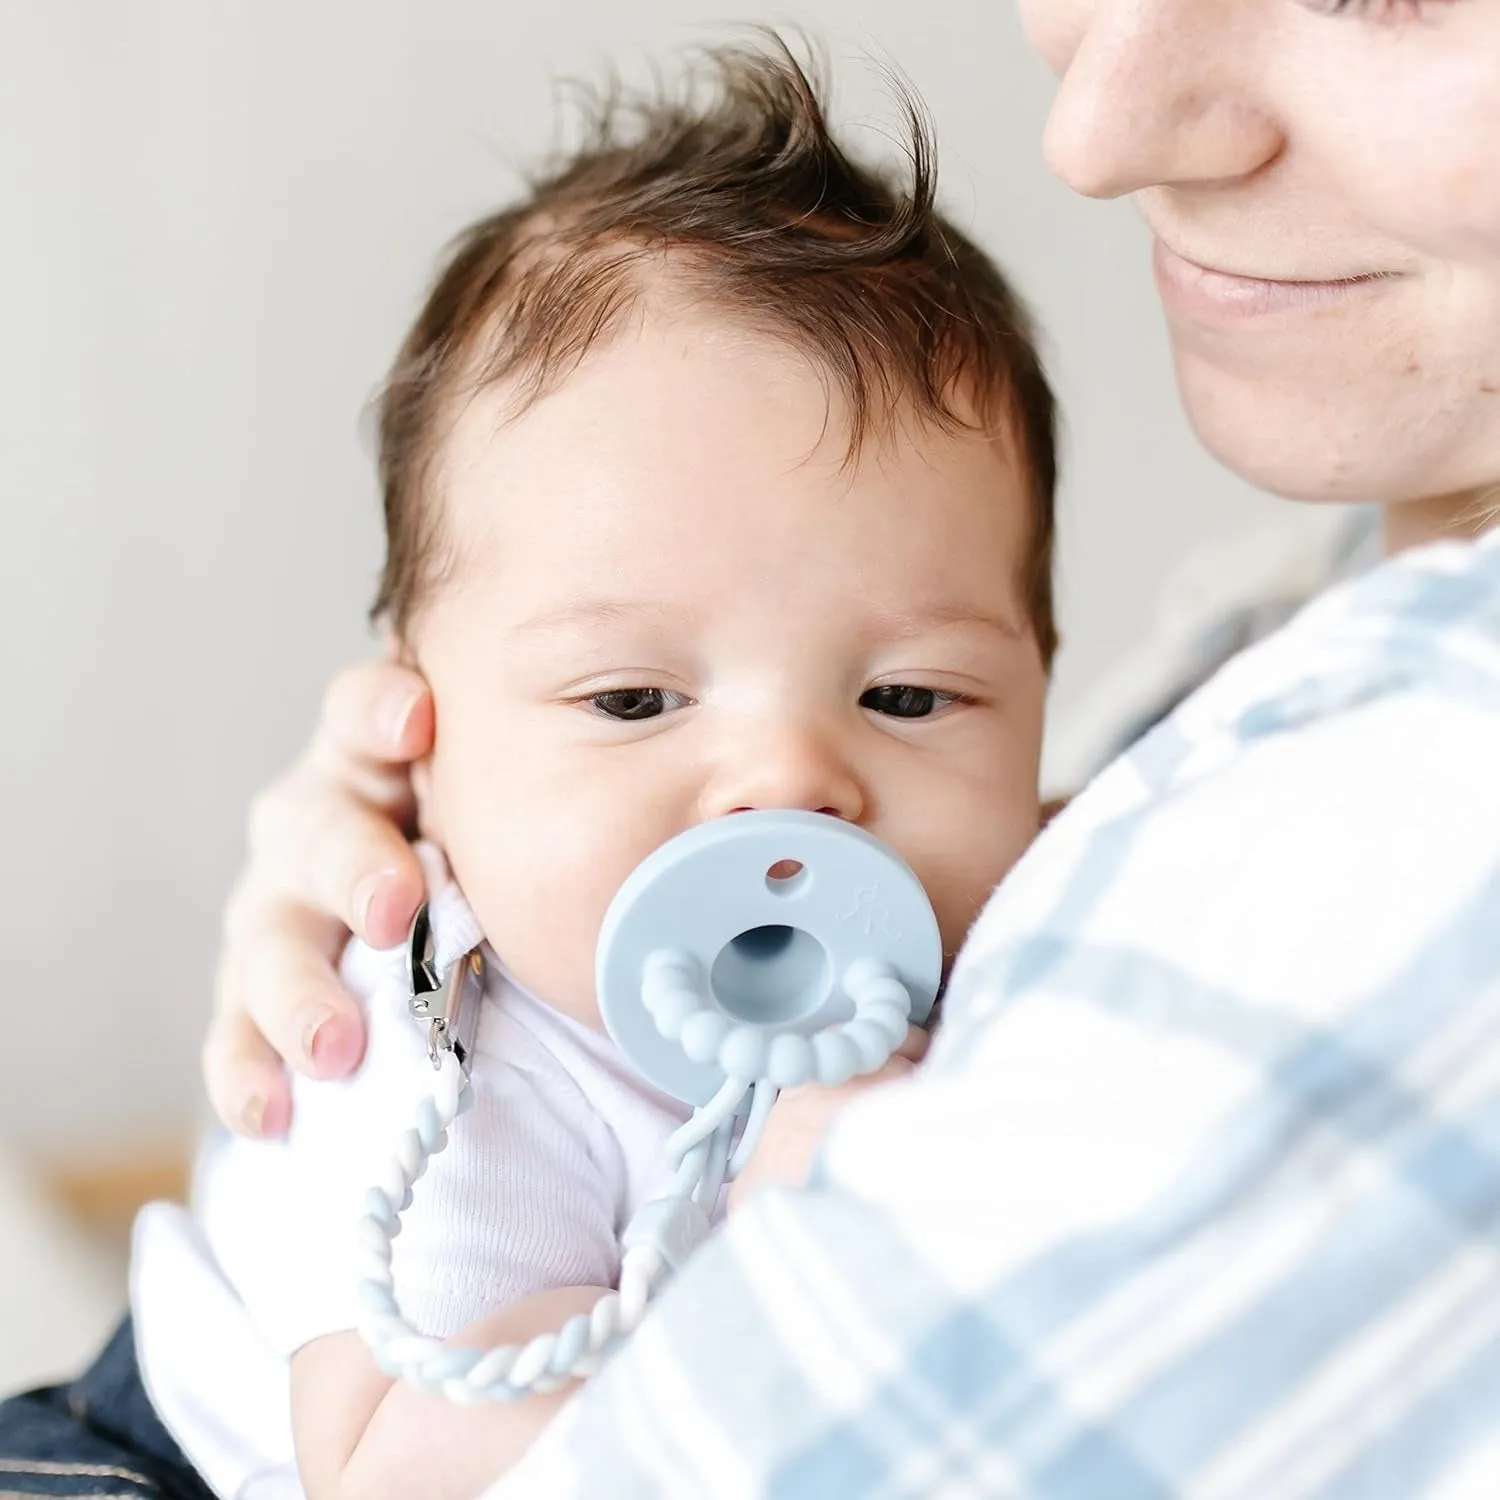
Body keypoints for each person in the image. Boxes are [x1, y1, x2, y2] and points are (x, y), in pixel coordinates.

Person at [0, 38, 1062, 1500]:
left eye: (909, 693)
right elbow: (392, 1470)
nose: (785, 782)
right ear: (415, 736)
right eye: (633, 697)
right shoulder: (439, 1041)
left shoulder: (1039, 924)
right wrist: (779, 1250)